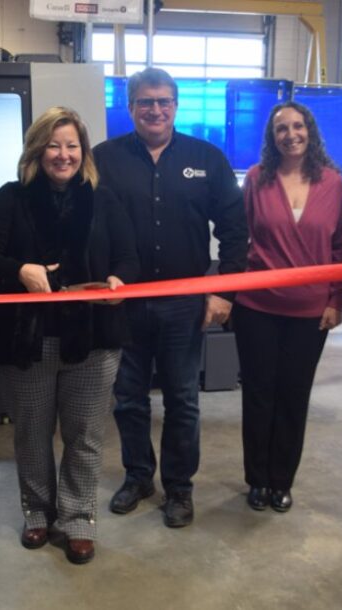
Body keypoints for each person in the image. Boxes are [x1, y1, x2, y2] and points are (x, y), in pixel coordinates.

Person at [0, 107, 139, 565]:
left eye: (71, 145)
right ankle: (38, 513)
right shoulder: (12, 197)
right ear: (37, 149)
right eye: (53, 144)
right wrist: (18, 270)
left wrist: (119, 283)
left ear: (83, 151)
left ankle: (78, 519)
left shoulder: (103, 199)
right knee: (32, 432)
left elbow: (129, 258)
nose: (63, 155)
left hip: (92, 338)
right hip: (27, 340)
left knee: (85, 433)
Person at [93, 67, 247, 528]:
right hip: (125, 302)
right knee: (128, 398)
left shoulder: (208, 158)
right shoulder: (104, 159)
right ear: (131, 107)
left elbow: (235, 229)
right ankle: (139, 477)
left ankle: (180, 488)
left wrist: (223, 289)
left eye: (163, 101)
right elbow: (87, 226)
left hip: (185, 303)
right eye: (145, 102)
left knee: (182, 398)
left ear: (176, 106)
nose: (155, 109)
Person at [232, 101, 342, 513]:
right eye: (281, 128)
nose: (291, 134)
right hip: (257, 307)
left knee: (293, 396)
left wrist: (337, 300)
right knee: (259, 395)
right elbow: (239, 237)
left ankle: (282, 480)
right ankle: (257, 480)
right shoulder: (257, 179)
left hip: (310, 311)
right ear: (272, 137)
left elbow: (339, 248)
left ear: (310, 131)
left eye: (298, 126)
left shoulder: (333, 183)